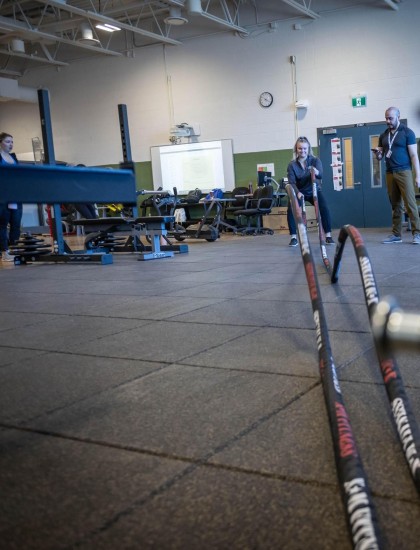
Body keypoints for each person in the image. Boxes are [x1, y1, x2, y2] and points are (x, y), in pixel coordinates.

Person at [372, 107, 420, 244]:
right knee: (395, 205)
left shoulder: (407, 133)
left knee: (410, 204)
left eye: (390, 118)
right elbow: (381, 156)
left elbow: (414, 155)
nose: (388, 121)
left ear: (398, 116)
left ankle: (417, 234)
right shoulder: (383, 135)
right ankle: (396, 234)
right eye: (386, 118)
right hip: (390, 172)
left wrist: (418, 176)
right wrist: (378, 154)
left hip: (404, 171)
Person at [286, 136, 334, 247]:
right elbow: (292, 182)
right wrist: (297, 192)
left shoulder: (315, 160)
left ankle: (328, 236)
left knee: (324, 208)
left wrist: (316, 171)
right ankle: (293, 237)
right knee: (291, 208)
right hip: (300, 192)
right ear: (296, 149)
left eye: (304, 148)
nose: (302, 151)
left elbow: (320, 174)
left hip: (314, 191)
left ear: (308, 149)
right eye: (300, 148)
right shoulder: (292, 165)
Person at [0, 132, 22, 261]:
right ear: (0, 143)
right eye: (8, 141)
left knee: (16, 223)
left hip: (16, 195)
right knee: (2, 224)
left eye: (12, 142)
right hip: (3, 196)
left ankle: (14, 248)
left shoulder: (13, 157)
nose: (11, 144)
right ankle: (4, 250)